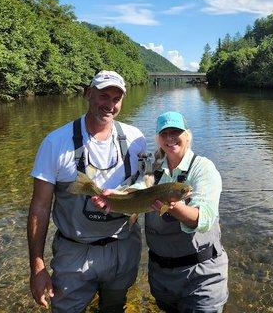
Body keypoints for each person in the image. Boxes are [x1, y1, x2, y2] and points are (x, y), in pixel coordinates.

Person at [27, 70, 147, 313]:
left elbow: (146, 182)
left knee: (115, 307)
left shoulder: (136, 139)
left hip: (123, 248)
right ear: (88, 94)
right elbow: (39, 207)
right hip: (74, 252)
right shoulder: (56, 142)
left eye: (117, 99)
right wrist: (37, 267)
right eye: (104, 96)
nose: (110, 105)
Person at [94, 111, 229, 312]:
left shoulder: (203, 168)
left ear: (188, 135)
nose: (170, 138)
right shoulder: (153, 170)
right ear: (158, 138)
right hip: (161, 277)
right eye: (164, 134)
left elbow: (205, 219)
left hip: (202, 276)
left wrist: (173, 206)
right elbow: (139, 191)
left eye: (176, 132)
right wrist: (115, 196)